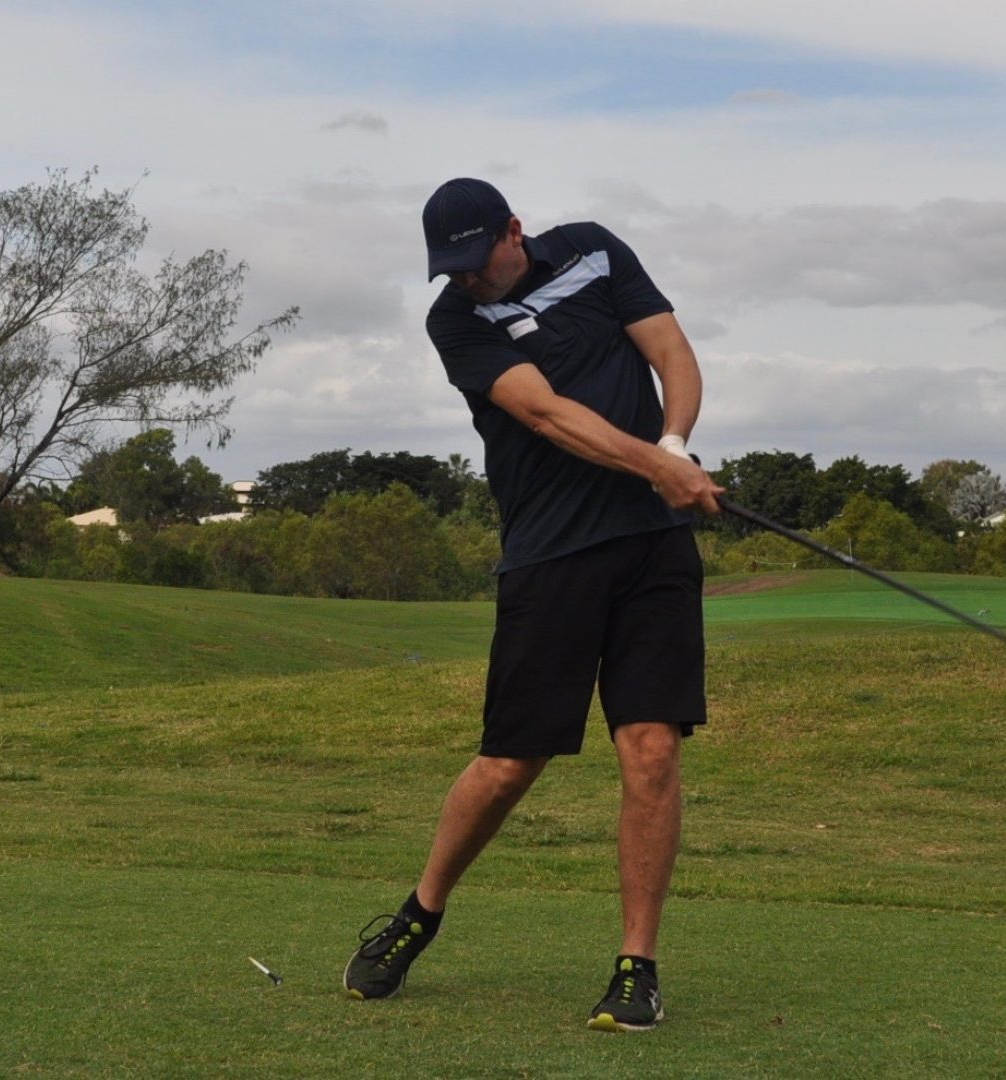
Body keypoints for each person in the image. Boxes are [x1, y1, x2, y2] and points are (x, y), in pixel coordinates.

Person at [343, 177, 723, 1033]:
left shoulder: (594, 249)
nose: (466, 278)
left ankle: (636, 966)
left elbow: (670, 350)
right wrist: (658, 468)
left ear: (514, 231)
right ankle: (420, 913)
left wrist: (674, 445)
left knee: (652, 751)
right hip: (550, 557)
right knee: (510, 763)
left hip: (653, 552)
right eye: (450, 267)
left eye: (476, 261)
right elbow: (547, 415)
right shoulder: (455, 321)